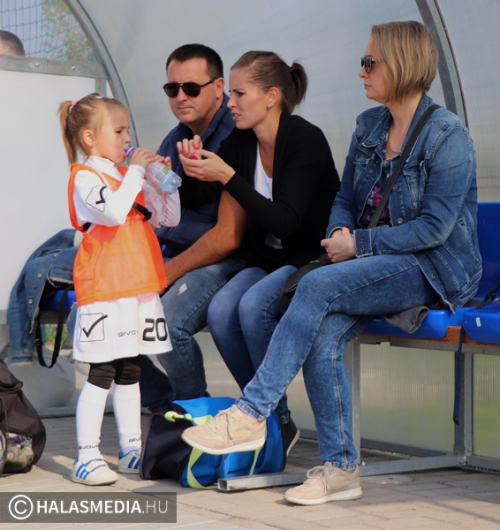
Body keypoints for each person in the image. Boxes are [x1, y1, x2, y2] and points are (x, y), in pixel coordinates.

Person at [180, 21, 481, 506]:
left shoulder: (447, 135)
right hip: (371, 261)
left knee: (315, 288)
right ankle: (341, 470)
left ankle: (251, 413)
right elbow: (344, 197)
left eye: (369, 62)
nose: (361, 72)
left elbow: (434, 230)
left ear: (402, 64)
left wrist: (356, 243)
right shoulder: (369, 126)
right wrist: (341, 232)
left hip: (431, 268)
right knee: (322, 331)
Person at [178, 50, 340, 455]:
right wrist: (191, 167)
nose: (230, 103)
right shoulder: (242, 141)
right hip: (268, 260)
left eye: (239, 94)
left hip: (311, 259)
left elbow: (286, 222)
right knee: (220, 311)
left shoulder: (305, 139)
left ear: (271, 97)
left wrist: (229, 176)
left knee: (252, 307)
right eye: (230, 94)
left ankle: (267, 419)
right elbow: (201, 197)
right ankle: (275, 421)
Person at [58, 93, 181, 485]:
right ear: (90, 138)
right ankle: (86, 455)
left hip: (137, 288)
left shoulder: (127, 176)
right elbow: (111, 212)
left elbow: (169, 218)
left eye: (127, 130)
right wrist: (137, 173)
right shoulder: (84, 176)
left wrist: (164, 182)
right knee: (102, 371)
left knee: (130, 369)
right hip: (105, 290)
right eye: (119, 130)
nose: (128, 138)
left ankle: (131, 449)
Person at [137, 44, 247, 413]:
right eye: (173, 89)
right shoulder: (175, 138)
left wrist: (164, 274)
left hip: (224, 260)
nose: (181, 97)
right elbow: (154, 217)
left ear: (219, 87)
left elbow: (229, 238)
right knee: (94, 313)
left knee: (165, 324)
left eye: (192, 88)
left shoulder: (238, 136)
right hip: (171, 253)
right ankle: (162, 404)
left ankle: (192, 412)